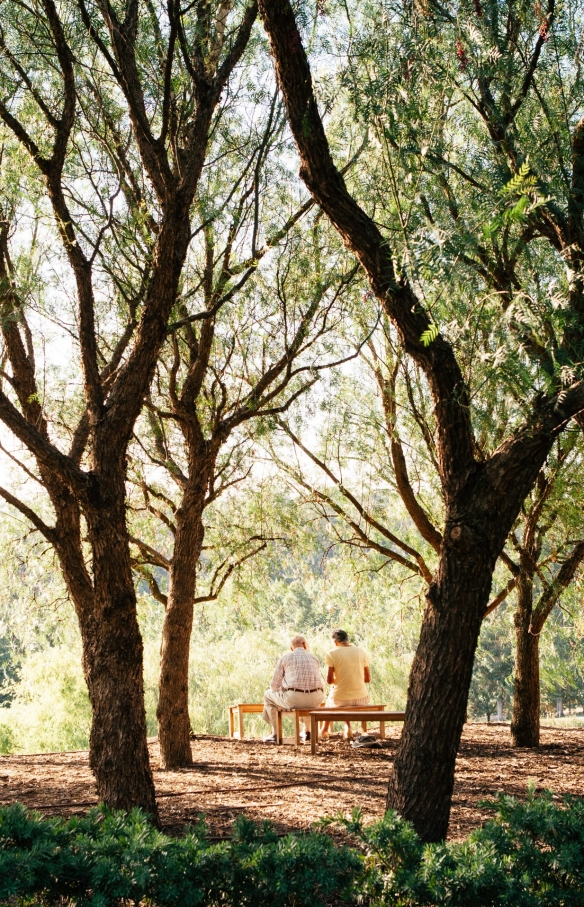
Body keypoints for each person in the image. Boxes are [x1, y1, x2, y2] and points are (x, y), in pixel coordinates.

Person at [262, 635, 323, 744]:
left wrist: (284, 689)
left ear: (291, 648)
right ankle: (307, 732)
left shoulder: (285, 658)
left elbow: (274, 686)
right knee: (307, 701)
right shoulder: (314, 658)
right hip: (316, 698)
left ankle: (275, 734)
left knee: (268, 695)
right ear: (305, 645)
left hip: (294, 698)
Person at [321, 629, 370, 739]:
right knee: (342, 695)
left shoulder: (331, 653)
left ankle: (324, 731)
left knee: (331, 699)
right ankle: (347, 727)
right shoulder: (360, 651)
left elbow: (329, 681)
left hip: (341, 700)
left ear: (335, 642)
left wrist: (339, 680)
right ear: (347, 640)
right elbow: (367, 679)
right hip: (362, 699)